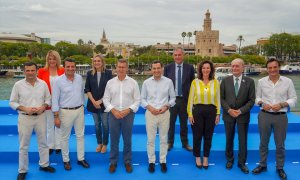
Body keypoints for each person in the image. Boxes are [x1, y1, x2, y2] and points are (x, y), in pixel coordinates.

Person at [252, 58, 297, 180]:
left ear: (279, 67)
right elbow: (256, 98)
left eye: (275, 67)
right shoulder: (261, 81)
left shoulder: (288, 81)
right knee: (263, 143)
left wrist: (282, 104)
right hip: (264, 115)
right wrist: (261, 103)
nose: (272, 70)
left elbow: (293, 99)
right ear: (267, 69)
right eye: (270, 68)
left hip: (281, 117)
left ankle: (280, 167)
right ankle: (262, 165)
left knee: (280, 145)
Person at [10, 62, 55, 180]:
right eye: (27, 70)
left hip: (41, 116)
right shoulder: (18, 85)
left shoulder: (43, 84)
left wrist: (43, 106)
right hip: (25, 118)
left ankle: (44, 164)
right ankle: (23, 170)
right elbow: (12, 102)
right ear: (24, 71)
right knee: (23, 145)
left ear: (36, 71)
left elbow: (48, 99)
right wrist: (25, 108)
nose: (30, 73)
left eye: (32, 70)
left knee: (43, 143)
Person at [52, 58, 90, 171]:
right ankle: (66, 160)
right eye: (68, 66)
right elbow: (54, 99)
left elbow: (81, 93)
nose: (70, 68)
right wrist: (56, 117)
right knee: (64, 138)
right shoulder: (58, 81)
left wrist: (83, 106)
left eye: (72, 66)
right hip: (65, 112)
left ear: (75, 67)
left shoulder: (79, 78)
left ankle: (81, 158)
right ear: (64, 67)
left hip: (79, 110)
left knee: (80, 135)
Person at [103, 59, 140, 173]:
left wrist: (128, 110)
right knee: (114, 140)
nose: (121, 69)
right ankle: (113, 162)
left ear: (127, 68)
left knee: (127, 139)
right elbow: (106, 99)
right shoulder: (110, 83)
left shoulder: (133, 82)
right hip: (113, 114)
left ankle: (127, 161)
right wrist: (113, 110)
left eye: (123, 67)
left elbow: (137, 100)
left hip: (128, 115)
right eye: (119, 67)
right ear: (116, 68)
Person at [220, 58, 255, 174]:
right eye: (233, 66)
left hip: (243, 115)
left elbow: (251, 100)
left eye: (237, 66)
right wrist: (229, 110)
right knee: (229, 138)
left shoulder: (250, 81)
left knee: (243, 140)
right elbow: (221, 98)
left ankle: (241, 163)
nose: (234, 68)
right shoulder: (225, 81)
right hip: (228, 115)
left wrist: (240, 111)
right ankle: (229, 159)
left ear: (242, 67)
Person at [141, 60, 176, 173]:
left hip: (164, 113)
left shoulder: (169, 82)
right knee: (150, 140)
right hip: (150, 114)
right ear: (151, 69)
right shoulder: (146, 83)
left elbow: (173, 98)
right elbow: (142, 99)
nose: (156, 70)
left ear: (162, 69)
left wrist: (166, 106)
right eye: (154, 68)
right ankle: (151, 161)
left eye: (158, 68)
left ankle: (162, 161)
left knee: (163, 139)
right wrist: (150, 108)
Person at [187, 60, 220, 169]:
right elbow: (190, 99)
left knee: (208, 136)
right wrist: (190, 114)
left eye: (208, 68)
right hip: (197, 111)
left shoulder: (216, 82)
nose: (206, 70)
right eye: (204, 68)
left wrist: (218, 113)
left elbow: (218, 99)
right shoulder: (195, 82)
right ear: (200, 70)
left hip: (211, 111)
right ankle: (197, 156)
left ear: (211, 70)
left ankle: (206, 157)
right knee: (197, 135)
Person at [164, 47, 195, 151]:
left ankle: (185, 143)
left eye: (179, 55)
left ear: (183, 56)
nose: (177, 57)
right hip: (172, 100)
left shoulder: (190, 68)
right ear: (173, 56)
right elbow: (164, 85)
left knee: (184, 123)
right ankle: (170, 143)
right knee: (170, 123)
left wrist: (192, 101)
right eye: (175, 55)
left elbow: (192, 84)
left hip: (184, 100)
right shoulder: (168, 68)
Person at [38, 50, 65, 155]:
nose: (52, 61)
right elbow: (39, 87)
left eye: (54, 58)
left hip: (61, 102)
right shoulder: (41, 71)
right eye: (50, 59)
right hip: (48, 102)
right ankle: (50, 145)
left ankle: (59, 145)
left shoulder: (62, 70)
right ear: (47, 60)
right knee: (49, 125)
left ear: (57, 59)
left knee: (59, 124)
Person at [85, 54, 112, 153]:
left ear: (102, 62)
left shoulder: (108, 73)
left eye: (98, 61)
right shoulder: (89, 73)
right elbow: (87, 89)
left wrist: (100, 101)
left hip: (104, 104)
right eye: (95, 61)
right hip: (93, 104)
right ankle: (99, 143)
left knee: (105, 125)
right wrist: (94, 101)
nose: (96, 62)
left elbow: (110, 90)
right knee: (97, 125)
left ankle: (105, 144)